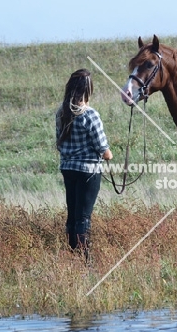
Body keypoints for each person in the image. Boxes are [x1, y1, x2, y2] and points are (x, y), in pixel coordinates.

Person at [56, 68, 113, 261]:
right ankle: (85, 259)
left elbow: (59, 144)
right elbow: (104, 150)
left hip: (68, 168)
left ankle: (73, 254)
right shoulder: (90, 115)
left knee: (72, 215)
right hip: (88, 171)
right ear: (88, 90)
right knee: (83, 217)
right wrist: (108, 153)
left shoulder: (61, 113)